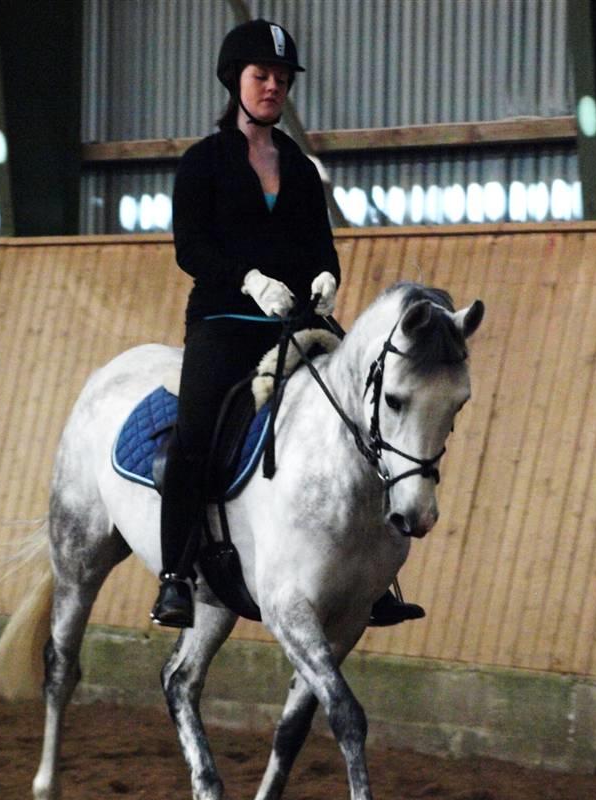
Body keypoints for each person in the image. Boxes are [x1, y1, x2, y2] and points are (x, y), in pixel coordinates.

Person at [151, 19, 422, 630]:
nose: (273, 87)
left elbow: (320, 245)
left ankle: (376, 578)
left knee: (365, 411)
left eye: (280, 78)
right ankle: (174, 576)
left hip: (296, 320)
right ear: (235, 81)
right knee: (194, 436)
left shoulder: (299, 167)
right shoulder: (202, 162)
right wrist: (247, 279)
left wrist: (327, 277)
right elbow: (190, 247)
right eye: (261, 76)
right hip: (225, 319)